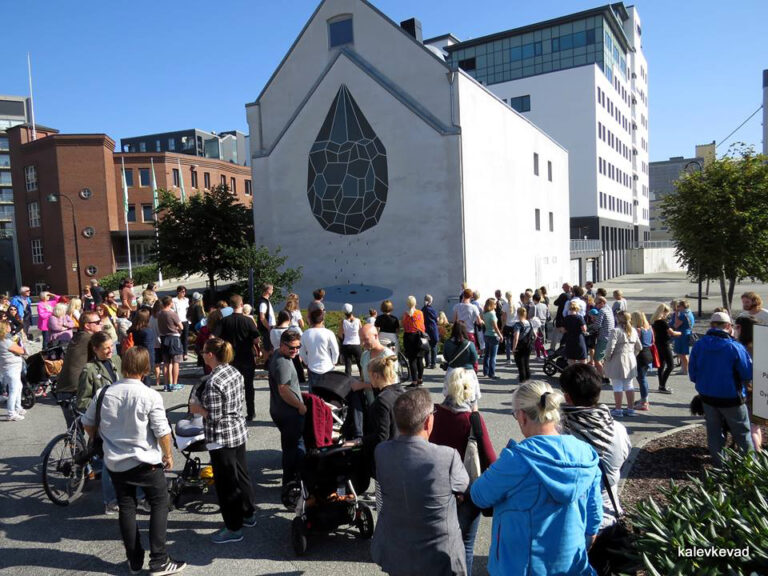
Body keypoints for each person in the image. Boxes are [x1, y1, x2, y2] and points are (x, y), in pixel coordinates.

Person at [470, 380, 602, 576]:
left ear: (522, 416)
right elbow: (593, 520)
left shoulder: (517, 460)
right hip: (573, 565)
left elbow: (479, 495)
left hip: (520, 567)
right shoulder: (586, 454)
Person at [82, 347, 186, 576]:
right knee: (159, 503)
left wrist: (101, 438)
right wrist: (167, 455)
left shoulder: (105, 393)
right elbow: (162, 432)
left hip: (116, 461)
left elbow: (88, 423)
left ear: (124, 365)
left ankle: (135, 558)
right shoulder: (149, 395)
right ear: (146, 369)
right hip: (145, 460)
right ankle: (159, 558)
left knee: (126, 507)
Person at [372, 388, 469, 576]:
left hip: (395, 549)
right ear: (428, 421)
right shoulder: (446, 456)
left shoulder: (381, 451)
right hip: (440, 555)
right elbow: (464, 488)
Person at [190, 337, 257, 544]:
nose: (202, 355)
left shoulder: (214, 381)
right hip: (237, 430)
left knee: (226, 484)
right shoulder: (233, 371)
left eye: (203, 352)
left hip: (221, 436)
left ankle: (233, 527)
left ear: (211, 355)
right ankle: (248, 514)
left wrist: (196, 408)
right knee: (242, 475)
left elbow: (214, 415)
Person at [431, 369, 497, 573]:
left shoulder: (432, 414)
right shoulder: (473, 419)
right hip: (466, 492)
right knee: (466, 545)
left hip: (436, 489)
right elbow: (490, 459)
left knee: (438, 544)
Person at [560, 364, 631, 528]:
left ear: (567, 397)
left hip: (573, 519)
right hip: (608, 511)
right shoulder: (618, 429)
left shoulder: (560, 434)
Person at [689, 311, 754, 466]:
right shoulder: (734, 346)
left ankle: (720, 465)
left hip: (707, 396)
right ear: (728, 326)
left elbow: (693, 374)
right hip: (731, 397)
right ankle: (749, 467)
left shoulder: (699, 345)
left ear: (712, 325)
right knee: (742, 433)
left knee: (714, 432)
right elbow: (747, 373)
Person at [76, 331, 125, 514]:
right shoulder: (89, 369)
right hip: (103, 420)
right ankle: (110, 501)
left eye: (111, 346)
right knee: (108, 462)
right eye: (105, 348)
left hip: (120, 418)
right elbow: (82, 400)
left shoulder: (116, 360)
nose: (110, 350)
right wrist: (102, 406)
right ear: (95, 349)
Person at [358, 355, 404, 511]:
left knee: (383, 504)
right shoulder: (402, 392)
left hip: (387, 458)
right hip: (405, 453)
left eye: (369, 375)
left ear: (376, 375)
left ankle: (383, 533)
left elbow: (381, 436)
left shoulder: (382, 401)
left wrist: (360, 441)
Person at [267, 329, 307, 492]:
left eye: (298, 347)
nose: (296, 351)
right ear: (282, 345)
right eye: (292, 348)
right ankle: (291, 482)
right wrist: (299, 405)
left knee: (289, 446)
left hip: (279, 409)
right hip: (289, 412)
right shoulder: (282, 362)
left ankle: (291, 479)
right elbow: (283, 389)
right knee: (295, 448)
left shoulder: (279, 354)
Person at [215, 295, 260, 420]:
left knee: (231, 386)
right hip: (246, 356)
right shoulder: (248, 320)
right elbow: (256, 339)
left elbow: (214, 338)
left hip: (230, 358)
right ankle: (251, 412)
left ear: (230, 305)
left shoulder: (224, 321)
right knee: (249, 385)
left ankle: (233, 411)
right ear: (241, 305)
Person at [57, 310, 103, 426]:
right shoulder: (89, 339)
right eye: (97, 322)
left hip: (63, 388)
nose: (100, 324)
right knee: (98, 423)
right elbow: (103, 359)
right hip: (76, 389)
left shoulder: (78, 336)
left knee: (74, 429)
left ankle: (75, 443)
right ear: (87, 325)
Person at [604, 311, 641, 418]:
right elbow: (639, 347)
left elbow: (609, 348)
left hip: (618, 358)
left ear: (618, 319)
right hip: (630, 359)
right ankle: (630, 409)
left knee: (617, 385)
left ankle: (618, 409)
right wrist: (632, 355)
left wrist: (607, 358)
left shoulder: (616, 331)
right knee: (629, 385)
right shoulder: (633, 330)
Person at [300, 309, 339, 393]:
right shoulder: (329, 333)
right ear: (322, 320)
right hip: (328, 367)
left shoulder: (305, 334)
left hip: (312, 367)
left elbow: (301, 352)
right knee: (328, 394)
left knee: (314, 396)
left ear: (310, 320)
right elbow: (335, 350)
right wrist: (334, 361)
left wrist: (307, 362)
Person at [442, 322, 481, 406]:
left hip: (452, 371)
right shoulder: (469, 344)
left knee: (452, 394)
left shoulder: (448, 343)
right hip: (468, 371)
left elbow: (446, 357)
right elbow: (474, 359)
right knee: (470, 396)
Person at [1, 320, 26, 421]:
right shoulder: (5, 342)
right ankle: (11, 413)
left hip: (9, 368)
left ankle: (18, 407)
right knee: (13, 390)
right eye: (8, 326)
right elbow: (21, 350)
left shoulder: (4, 340)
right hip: (11, 368)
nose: (10, 327)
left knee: (18, 387)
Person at [157, 296, 184, 391]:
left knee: (166, 363)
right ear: (170, 303)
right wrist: (177, 328)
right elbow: (181, 326)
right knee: (175, 361)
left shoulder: (159, 313)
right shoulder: (172, 313)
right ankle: (174, 384)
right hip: (173, 338)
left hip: (163, 338)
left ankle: (166, 384)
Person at [650, 304, 678, 394]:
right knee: (670, 365)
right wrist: (681, 333)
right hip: (665, 344)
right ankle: (662, 386)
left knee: (661, 365)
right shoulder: (662, 322)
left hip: (658, 344)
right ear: (663, 312)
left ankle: (661, 385)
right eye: (667, 313)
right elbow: (672, 333)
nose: (667, 315)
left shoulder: (654, 321)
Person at [631, 311, 654, 411]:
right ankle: (644, 399)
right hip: (648, 353)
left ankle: (644, 402)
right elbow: (652, 342)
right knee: (643, 379)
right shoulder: (649, 328)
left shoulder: (638, 330)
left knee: (641, 379)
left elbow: (635, 344)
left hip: (640, 355)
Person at [402, 296, 426, 386]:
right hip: (419, 337)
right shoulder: (420, 313)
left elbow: (404, 326)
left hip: (409, 337)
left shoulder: (405, 314)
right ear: (415, 303)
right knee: (420, 358)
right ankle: (420, 379)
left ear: (407, 304)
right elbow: (422, 326)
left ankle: (414, 381)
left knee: (412, 360)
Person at [128, 308, 156, 387]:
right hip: (144, 357)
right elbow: (149, 348)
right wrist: (151, 363)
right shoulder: (147, 331)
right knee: (145, 382)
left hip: (133, 356)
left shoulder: (132, 329)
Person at [592, 296, 615, 379]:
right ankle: (606, 374)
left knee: (596, 359)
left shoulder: (602, 311)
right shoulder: (609, 309)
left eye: (597, 303)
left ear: (602, 303)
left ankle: (602, 377)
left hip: (603, 337)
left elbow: (597, 325)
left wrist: (591, 327)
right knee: (605, 358)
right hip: (610, 337)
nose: (596, 306)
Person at [481, 298, 503, 380]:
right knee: (493, 356)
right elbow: (495, 327)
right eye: (495, 304)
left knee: (487, 355)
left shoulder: (485, 313)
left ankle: (485, 371)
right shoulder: (492, 314)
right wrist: (500, 335)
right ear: (492, 305)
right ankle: (492, 373)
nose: (496, 305)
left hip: (486, 334)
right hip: (493, 335)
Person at [339, 303, 362, 378]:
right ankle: (363, 379)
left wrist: (343, 339)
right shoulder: (358, 321)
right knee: (360, 364)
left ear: (344, 312)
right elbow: (361, 332)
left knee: (348, 366)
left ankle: (348, 382)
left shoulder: (343, 322)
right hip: (356, 344)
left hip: (347, 345)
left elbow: (339, 334)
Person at [672, 299, 695, 375]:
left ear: (682, 306)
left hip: (682, 335)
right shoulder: (689, 312)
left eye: (679, 306)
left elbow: (676, 325)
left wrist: (676, 314)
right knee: (683, 353)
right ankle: (684, 368)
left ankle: (685, 370)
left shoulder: (683, 315)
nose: (678, 308)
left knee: (682, 353)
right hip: (687, 333)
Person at [511, 307, 533, 383]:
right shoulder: (529, 323)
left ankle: (522, 384)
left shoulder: (518, 324)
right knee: (526, 364)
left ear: (518, 314)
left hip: (520, 347)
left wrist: (514, 348)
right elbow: (535, 335)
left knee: (521, 366)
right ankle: (528, 383)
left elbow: (516, 338)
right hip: (528, 346)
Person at [563, 300, 588, 365]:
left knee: (571, 359)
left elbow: (564, 330)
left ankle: (572, 373)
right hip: (578, 339)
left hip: (569, 339)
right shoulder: (579, 318)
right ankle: (583, 373)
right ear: (577, 308)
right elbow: (584, 329)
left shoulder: (566, 318)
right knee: (582, 359)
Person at [170, 286, 190, 360]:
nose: (184, 293)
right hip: (178, 321)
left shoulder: (186, 300)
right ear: (178, 292)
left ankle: (185, 353)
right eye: (182, 292)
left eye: (185, 292)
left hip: (185, 320)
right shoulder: (174, 300)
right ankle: (179, 352)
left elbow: (188, 310)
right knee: (178, 337)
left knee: (185, 338)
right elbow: (172, 311)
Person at [551, 283, 571, 351]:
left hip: (560, 318)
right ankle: (564, 349)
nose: (562, 288)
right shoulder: (572, 296)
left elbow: (555, 303)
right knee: (565, 335)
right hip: (568, 318)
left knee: (555, 335)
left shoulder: (563, 295)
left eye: (563, 287)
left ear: (567, 287)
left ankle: (552, 349)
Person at [257, 283, 276, 353]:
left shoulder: (265, 301)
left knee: (270, 348)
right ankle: (267, 363)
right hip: (267, 329)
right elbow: (262, 317)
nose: (273, 291)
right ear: (268, 290)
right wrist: (269, 328)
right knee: (268, 349)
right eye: (272, 289)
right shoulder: (263, 302)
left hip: (269, 328)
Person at [422, 294, 439, 370]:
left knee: (426, 346)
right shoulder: (431, 310)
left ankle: (427, 363)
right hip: (432, 330)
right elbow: (436, 319)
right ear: (430, 301)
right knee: (434, 346)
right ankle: (433, 363)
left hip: (425, 329)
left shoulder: (423, 309)